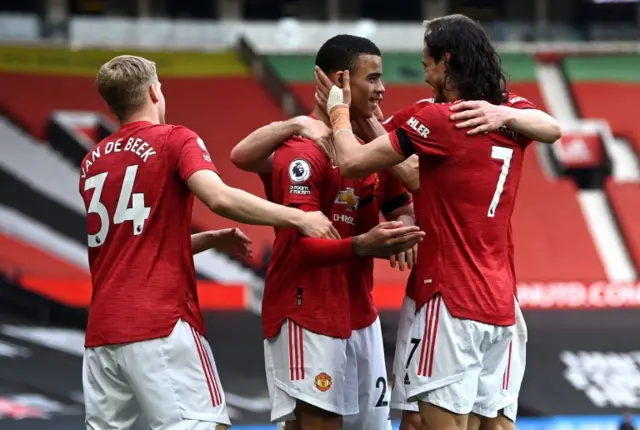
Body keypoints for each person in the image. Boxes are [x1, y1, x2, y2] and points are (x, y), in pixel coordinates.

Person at [313, 15, 561, 430]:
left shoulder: (437, 119)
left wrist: (338, 113)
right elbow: (552, 128)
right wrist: (503, 116)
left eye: (427, 62)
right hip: (502, 298)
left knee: (426, 422)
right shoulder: (509, 109)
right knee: (496, 424)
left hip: (450, 296)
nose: (424, 72)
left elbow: (356, 159)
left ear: (446, 61)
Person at [79, 55, 342, 430]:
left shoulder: (93, 161)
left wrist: (210, 239)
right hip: (160, 321)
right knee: (205, 424)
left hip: (103, 332)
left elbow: (131, 247)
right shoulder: (174, 138)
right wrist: (299, 216)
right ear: (155, 91)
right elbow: (218, 198)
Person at [231, 34, 419, 430]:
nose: (382, 88)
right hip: (306, 311)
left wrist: (402, 224)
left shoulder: (373, 147)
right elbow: (305, 245)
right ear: (342, 80)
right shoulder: (303, 149)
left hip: (359, 313)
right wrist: (363, 245)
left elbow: (400, 200)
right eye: (373, 78)